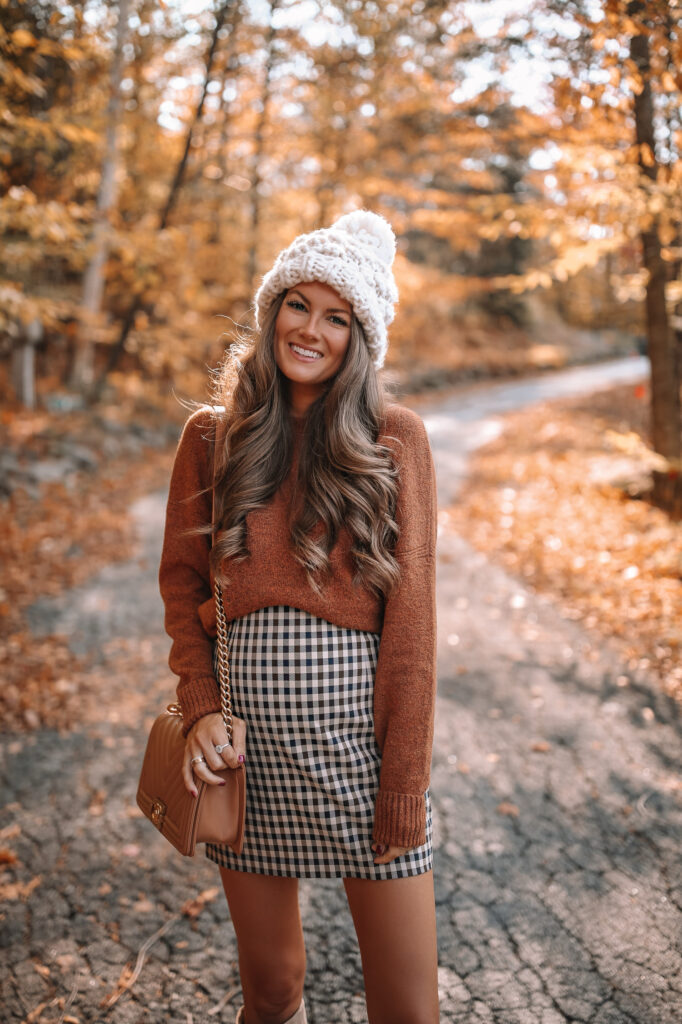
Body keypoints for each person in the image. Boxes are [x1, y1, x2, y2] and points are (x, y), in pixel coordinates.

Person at [158, 210, 439, 1024]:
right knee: (274, 991)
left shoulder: (395, 439)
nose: (310, 329)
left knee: (406, 1010)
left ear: (361, 338)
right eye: (297, 304)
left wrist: (403, 785)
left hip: (360, 759)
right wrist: (201, 707)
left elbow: (413, 630)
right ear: (270, 308)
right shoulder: (213, 437)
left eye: (337, 316)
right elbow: (182, 587)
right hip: (248, 762)